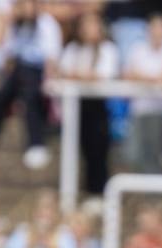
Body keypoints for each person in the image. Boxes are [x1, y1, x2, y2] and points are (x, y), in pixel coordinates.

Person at [0, 0, 62, 173]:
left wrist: (48, 78)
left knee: (31, 96)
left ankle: (36, 143)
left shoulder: (47, 24)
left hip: (36, 72)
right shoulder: (13, 25)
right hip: (15, 72)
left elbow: (51, 57)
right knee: (0, 97)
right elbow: (8, 54)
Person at [58, 11, 118, 195]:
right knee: (78, 151)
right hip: (76, 108)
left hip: (99, 107)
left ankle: (98, 192)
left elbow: (104, 76)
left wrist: (80, 75)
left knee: (98, 152)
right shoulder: (72, 49)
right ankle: (82, 191)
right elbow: (63, 72)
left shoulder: (107, 49)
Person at [122, 14, 162, 174]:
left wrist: (145, 77)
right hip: (140, 109)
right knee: (135, 154)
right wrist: (155, 78)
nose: (158, 32)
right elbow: (128, 74)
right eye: (154, 27)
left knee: (158, 155)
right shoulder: (137, 49)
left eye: (161, 27)